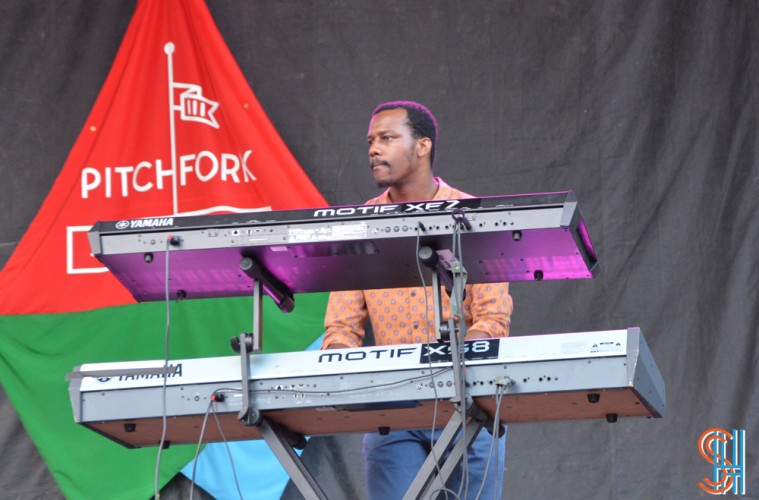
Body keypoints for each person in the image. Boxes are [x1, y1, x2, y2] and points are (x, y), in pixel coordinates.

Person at [321, 101, 513, 499]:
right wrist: (342, 372)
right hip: (392, 410)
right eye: (370, 141)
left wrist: (461, 371)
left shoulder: (472, 216)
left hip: (468, 403)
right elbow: (341, 328)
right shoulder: (360, 225)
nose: (374, 149)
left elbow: (493, 318)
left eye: (387, 138)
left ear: (422, 146)